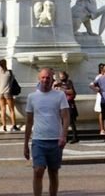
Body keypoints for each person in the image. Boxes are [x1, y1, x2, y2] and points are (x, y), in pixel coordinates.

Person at [24, 67, 69, 196]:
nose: (45, 80)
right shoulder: (32, 97)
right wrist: (25, 144)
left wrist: (63, 136)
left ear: (52, 79)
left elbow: (66, 117)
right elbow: (28, 122)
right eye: (43, 77)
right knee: (38, 170)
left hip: (55, 140)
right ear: (39, 79)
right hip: (38, 139)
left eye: (48, 77)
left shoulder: (59, 95)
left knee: (53, 172)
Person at [53, 71, 79, 143]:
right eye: (60, 76)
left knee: (71, 121)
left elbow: (72, 92)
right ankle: (65, 137)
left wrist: (62, 90)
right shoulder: (60, 84)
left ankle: (75, 137)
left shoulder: (69, 82)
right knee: (62, 122)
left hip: (69, 104)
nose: (61, 77)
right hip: (62, 104)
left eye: (62, 76)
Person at [0, 59, 19, 132]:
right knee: (11, 110)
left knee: (3, 110)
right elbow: (12, 81)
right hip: (7, 92)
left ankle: (4, 126)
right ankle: (14, 125)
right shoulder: (9, 73)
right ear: (5, 64)